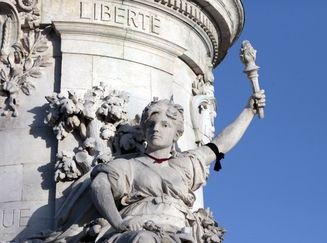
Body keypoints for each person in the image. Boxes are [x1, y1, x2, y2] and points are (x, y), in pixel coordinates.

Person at [89, 90, 265, 242]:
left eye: (165, 125)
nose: (156, 129)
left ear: (177, 133)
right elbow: (99, 185)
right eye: (150, 125)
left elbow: (221, 144)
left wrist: (248, 111)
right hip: (139, 227)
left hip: (178, 230)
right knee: (144, 239)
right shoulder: (129, 166)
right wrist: (119, 222)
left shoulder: (187, 163)